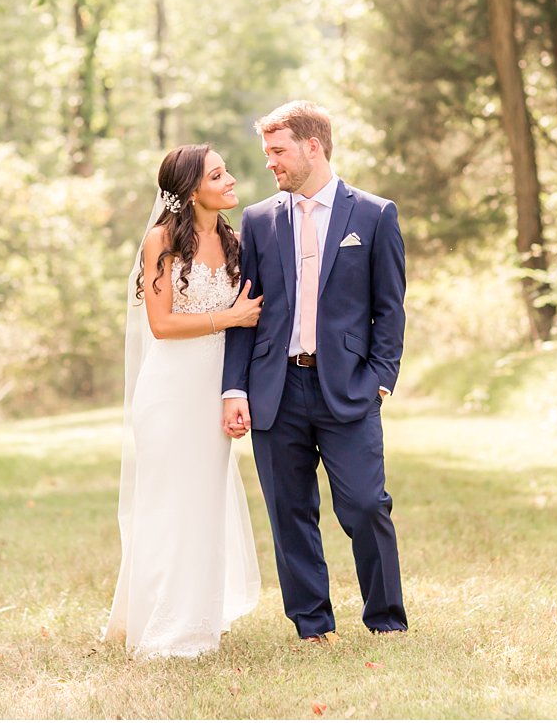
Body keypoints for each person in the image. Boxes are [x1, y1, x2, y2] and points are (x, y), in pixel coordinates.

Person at [222, 100, 408, 642]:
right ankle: (312, 626)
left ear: (313, 147)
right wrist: (236, 386)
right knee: (289, 511)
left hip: (346, 388)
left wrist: (378, 376)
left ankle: (386, 620)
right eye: (266, 153)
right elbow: (245, 312)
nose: (270, 164)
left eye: (278, 152)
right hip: (275, 388)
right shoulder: (258, 221)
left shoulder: (374, 215)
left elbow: (390, 307)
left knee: (366, 504)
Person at [105, 144, 263, 659]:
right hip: (171, 392)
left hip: (214, 394)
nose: (231, 179)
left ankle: (200, 619)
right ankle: (161, 623)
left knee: (205, 502)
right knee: (169, 503)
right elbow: (162, 324)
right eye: (219, 175)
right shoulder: (161, 242)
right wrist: (229, 318)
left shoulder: (236, 241)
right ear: (193, 190)